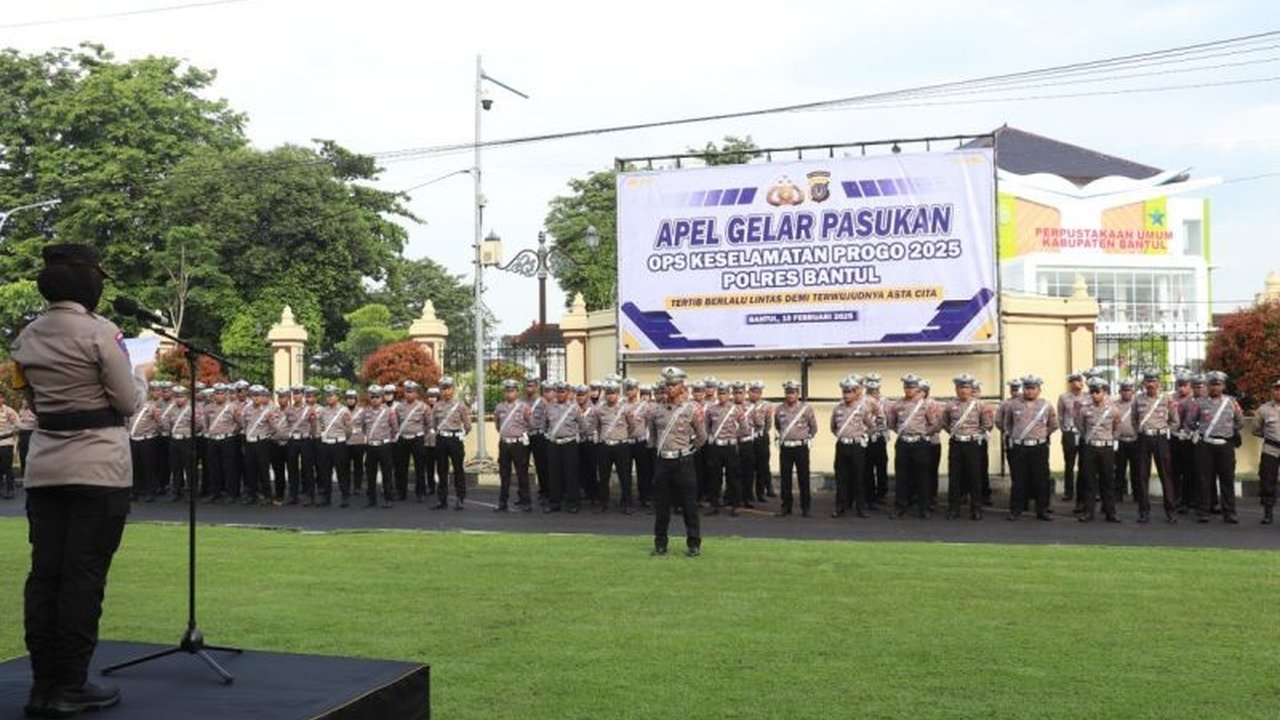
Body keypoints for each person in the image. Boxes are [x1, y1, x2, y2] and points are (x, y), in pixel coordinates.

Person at [12, 242, 150, 716]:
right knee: (83, 577)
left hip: (45, 466)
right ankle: (71, 685)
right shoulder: (101, 331)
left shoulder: (26, 335)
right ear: (89, 281)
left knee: (45, 576)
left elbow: (33, 399)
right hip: (97, 466)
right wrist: (143, 378)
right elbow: (127, 402)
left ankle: (42, 685)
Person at [648, 367, 706, 556]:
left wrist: (688, 451)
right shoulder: (656, 410)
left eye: (674, 384)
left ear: (682, 386)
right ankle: (660, 543)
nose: (670, 388)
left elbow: (701, 436)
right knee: (662, 506)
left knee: (689, 505)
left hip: (683, 462)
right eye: (667, 384)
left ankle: (693, 543)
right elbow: (652, 437)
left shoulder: (691, 409)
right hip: (663, 462)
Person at [1190, 370, 1243, 524]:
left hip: (1225, 445)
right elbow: (1190, 421)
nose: (1215, 387)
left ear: (1223, 386)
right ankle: (1203, 512)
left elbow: (1239, 421)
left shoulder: (1231, 402)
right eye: (1212, 384)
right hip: (1205, 445)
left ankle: (1230, 513)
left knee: (1227, 479)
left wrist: (1228, 432)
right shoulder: (1199, 402)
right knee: (1204, 480)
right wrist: (1200, 432)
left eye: (1218, 384)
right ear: (1207, 385)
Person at [887, 374, 941, 519]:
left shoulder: (926, 404)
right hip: (903, 443)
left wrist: (923, 434)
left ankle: (924, 508)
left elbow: (934, 424)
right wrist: (903, 433)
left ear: (917, 388)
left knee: (923, 477)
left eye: (912, 387)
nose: (909, 390)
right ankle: (900, 507)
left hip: (920, 443)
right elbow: (892, 423)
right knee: (902, 477)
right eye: (906, 387)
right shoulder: (897, 405)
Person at [1004, 375, 1057, 521]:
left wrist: (1041, 435)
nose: (1029, 391)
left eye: (1033, 388)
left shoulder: (1046, 405)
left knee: (1041, 479)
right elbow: (1007, 423)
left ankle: (1042, 510)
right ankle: (1016, 510)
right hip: (1019, 447)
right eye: (1027, 388)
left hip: (1039, 447)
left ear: (1039, 390)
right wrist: (1015, 435)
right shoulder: (1013, 405)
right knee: (1018, 479)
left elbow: (1053, 424)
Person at [1131, 370, 1179, 523]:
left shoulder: (1167, 399)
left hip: (1161, 438)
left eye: (1153, 381)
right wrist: (1140, 431)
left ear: (1158, 383)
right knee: (1142, 475)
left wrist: (1165, 431)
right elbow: (1133, 419)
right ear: (1144, 383)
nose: (1150, 384)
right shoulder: (1137, 399)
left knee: (1166, 475)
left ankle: (1170, 511)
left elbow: (1175, 420)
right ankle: (1144, 511)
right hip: (1144, 438)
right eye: (1148, 381)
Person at [944, 374, 992, 521]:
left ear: (971, 389)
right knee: (954, 477)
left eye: (966, 387)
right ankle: (954, 509)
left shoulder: (980, 405)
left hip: (973, 444)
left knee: (975, 477)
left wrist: (975, 435)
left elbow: (987, 424)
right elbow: (945, 423)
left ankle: (976, 509)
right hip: (956, 443)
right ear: (956, 389)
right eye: (960, 387)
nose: (963, 391)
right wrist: (956, 434)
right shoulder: (950, 406)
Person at [829, 375, 878, 519]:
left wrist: (863, 436)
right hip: (842, 445)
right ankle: (840, 507)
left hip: (857, 446)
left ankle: (861, 508)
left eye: (849, 392)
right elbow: (833, 427)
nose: (846, 395)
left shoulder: (862, 409)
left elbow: (871, 426)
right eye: (844, 392)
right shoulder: (837, 409)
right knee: (841, 478)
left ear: (855, 393)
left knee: (859, 478)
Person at [1077, 377, 1120, 522]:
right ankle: (1088, 512)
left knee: (1108, 481)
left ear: (1105, 392)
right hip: (1090, 447)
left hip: (1106, 447)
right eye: (1092, 392)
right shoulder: (1084, 409)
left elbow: (1117, 427)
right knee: (1089, 480)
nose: (1094, 395)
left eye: (1097, 391)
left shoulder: (1113, 409)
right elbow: (1081, 426)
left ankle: (1110, 512)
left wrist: (1108, 438)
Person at [773, 380, 817, 517]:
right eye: (788, 392)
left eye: (792, 392)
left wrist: (804, 438)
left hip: (800, 447)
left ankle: (806, 507)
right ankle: (786, 506)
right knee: (785, 478)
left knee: (803, 477)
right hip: (786, 448)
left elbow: (813, 427)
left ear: (798, 394)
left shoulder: (806, 409)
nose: (790, 395)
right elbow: (778, 426)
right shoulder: (779, 409)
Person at [703, 381, 744, 517]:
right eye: (720, 393)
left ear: (729, 394)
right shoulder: (711, 409)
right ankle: (714, 505)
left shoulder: (736, 409)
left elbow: (744, 428)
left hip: (730, 446)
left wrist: (733, 437)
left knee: (733, 477)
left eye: (724, 393)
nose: (722, 396)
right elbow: (706, 427)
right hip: (716, 447)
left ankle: (735, 505)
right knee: (714, 477)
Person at [493, 378, 534, 512]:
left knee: (522, 474)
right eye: (507, 391)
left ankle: (526, 501)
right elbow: (497, 425)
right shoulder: (499, 407)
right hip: (504, 443)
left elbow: (530, 423)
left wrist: (520, 433)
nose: (509, 393)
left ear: (517, 392)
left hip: (519, 444)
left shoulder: (524, 407)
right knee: (504, 474)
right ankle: (502, 502)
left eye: (512, 391)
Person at [594, 381, 635, 513]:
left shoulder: (626, 409)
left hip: (621, 446)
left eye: (613, 393)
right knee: (603, 476)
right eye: (608, 393)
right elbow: (598, 426)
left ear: (618, 394)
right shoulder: (600, 409)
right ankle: (603, 503)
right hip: (605, 445)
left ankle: (627, 504)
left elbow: (632, 426)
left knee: (625, 476)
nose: (610, 396)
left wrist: (621, 436)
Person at [431, 376, 470, 510]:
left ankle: (460, 498)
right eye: (443, 389)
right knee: (442, 470)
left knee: (458, 469)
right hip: (441, 439)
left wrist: (461, 435)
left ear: (453, 389)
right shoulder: (436, 406)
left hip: (455, 439)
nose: (446, 392)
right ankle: (442, 500)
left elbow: (467, 425)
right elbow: (433, 424)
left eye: (448, 388)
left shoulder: (460, 405)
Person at [543, 381, 583, 513]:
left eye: (563, 391)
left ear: (568, 393)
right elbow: (544, 425)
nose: (560, 394)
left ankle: (573, 503)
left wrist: (573, 434)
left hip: (569, 443)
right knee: (554, 474)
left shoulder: (575, 408)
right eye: (558, 391)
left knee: (571, 474)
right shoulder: (549, 407)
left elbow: (583, 425)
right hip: (554, 443)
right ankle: (555, 502)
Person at [161, 386, 202, 502]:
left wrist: (189, 433)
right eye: (177, 397)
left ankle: (191, 492)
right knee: (175, 467)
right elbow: (167, 424)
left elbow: (199, 425)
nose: (179, 399)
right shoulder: (171, 409)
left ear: (186, 397)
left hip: (187, 440)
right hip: (175, 439)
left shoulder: (192, 409)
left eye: (181, 396)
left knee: (190, 468)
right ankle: (176, 491)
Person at [314, 386, 353, 506]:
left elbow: (349, 430)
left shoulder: (344, 410)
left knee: (342, 471)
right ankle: (326, 497)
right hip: (326, 444)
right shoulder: (322, 411)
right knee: (325, 472)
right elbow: (319, 426)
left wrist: (341, 439)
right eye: (327, 395)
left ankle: (345, 496)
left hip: (339, 444)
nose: (329, 398)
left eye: (331, 395)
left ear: (337, 396)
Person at [360, 385, 397, 508]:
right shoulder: (365, 412)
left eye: (377, 397)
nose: (374, 399)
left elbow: (394, 428)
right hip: (371, 446)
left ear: (381, 398)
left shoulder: (389, 411)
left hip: (384, 446)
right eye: (372, 397)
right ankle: (371, 498)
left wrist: (386, 439)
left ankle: (388, 498)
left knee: (387, 473)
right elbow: (364, 428)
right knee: (370, 474)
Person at [393, 380, 430, 502]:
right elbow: (396, 423)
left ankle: (421, 492)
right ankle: (401, 492)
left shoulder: (423, 407)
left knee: (420, 467)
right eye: (406, 392)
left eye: (411, 392)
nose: (408, 394)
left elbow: (428, 423)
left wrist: (422, 434)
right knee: (401, 467)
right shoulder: (399, 407)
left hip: (417, 439)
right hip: (403, 439)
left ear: (416, 393)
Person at [1252, 379, 1280, 525]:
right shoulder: (1263, 409)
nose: (1278, 392)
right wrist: (1270, 437)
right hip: (1271, 448)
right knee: (1267, 481)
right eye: (1276, 389)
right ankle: (1268, 513)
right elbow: (1256, 429)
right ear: (1272, 391)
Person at [1058, 371, 1086, 506]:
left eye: (1079, 380)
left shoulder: (1088, 397)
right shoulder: (1064, 397)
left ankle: (1084, 491)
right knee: (1069, 463)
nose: (1078, 383)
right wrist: (1065, 430)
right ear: (1070, 383)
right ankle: (1068, 491)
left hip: (1084, 433)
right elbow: (1060, 416)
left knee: (1085, 464)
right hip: (1070, 431)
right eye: (1074, 381)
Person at [1111, 380, 1138, 503]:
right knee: (1119, 469)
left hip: (1135, 440)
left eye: (1129, 390)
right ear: (1120, 391)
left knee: (1136, 470)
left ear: (1132, 391)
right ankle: (1118, 494)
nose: (1126, 392)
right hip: (1120, 440)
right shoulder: (1114, 405)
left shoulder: (1137, 404)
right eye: (1124, 390)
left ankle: (1137, 494)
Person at [0, 394, 19, 500]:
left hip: (6, 442)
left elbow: (17, 424)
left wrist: (10, 431)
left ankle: (10, 489)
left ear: (3, 399)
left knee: (7, 467)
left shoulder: (9, 411)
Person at [17, 396, 37, 480]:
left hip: (31, 432)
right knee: (22, 453)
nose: (24, 402)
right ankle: (23, 471)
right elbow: (18, 421)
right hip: (22, 433)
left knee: (30, 453)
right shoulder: (20, 411)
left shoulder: (34, 411)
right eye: (23, 401)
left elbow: (36, 422)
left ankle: (32, 472)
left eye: (26, 401)